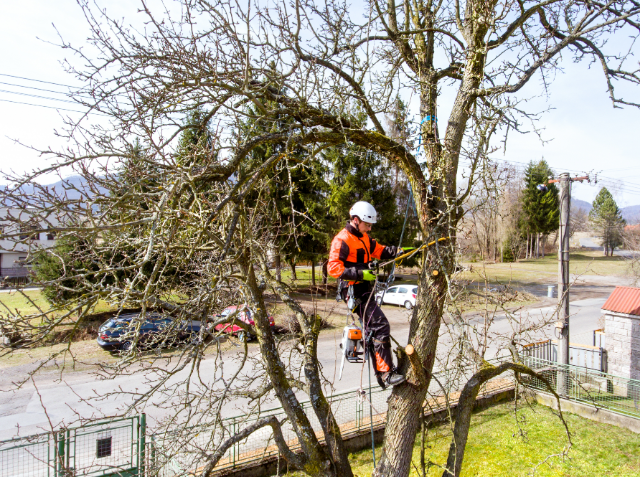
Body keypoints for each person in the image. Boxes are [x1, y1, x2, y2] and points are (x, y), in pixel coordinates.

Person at [328, 201, 406, 388]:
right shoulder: (342, 239)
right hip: (353, 290)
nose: (369, 228)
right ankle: (386, 374)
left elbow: (378, 250)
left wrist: (397, 252)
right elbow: (333, 267)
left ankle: (381, 373)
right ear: (356, 220)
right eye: (367, 224)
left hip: (365, 289)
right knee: (380, 326)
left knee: (374, 330)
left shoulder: (363, 238)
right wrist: (360, 273)